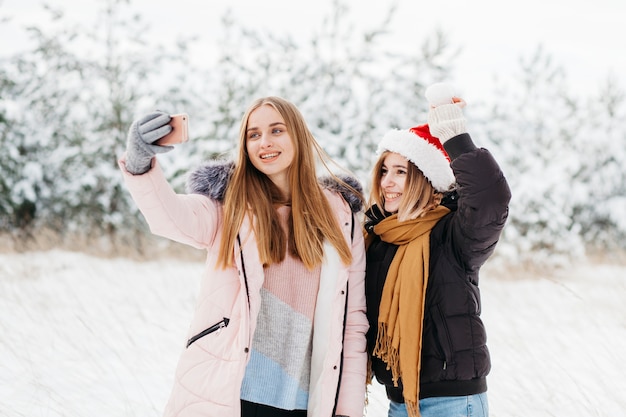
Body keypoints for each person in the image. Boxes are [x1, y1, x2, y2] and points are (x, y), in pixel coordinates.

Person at [118, 96, 368, 417]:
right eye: (254, 134)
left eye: (277, 130)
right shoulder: (229, 206)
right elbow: (171, 217)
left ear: (299, 137)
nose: (264, 142)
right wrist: (141, 166)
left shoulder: (340, 215)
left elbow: (352, 321)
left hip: (308, 401)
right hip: (234, 393)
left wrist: (347, 410)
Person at [363, 83, 511, 417]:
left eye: (401, 172)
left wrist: (454, 135)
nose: (387, 181)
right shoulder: (377, 239)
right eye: (384, 170)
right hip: (398, 401)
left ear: (425, 179)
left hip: (453, 402)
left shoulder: (454, 235)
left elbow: (491, 200)